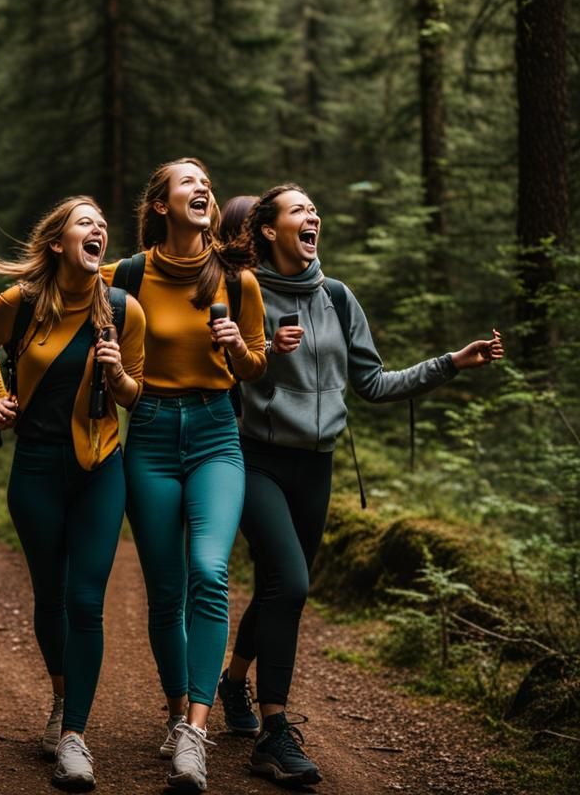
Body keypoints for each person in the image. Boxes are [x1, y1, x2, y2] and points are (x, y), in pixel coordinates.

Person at [215, 184, 504, 786]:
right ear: (269, 230)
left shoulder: (338, 299)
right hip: (257, 458)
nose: (312, 215)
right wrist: (256, 348)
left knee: (279, 585)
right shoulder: (244, 293)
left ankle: (234, 681)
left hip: (316, 466)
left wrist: (451, 362)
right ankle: (274, 733)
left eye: (315, 209)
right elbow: (219, 373)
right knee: (290, 583)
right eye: (299, 210)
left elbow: (374, 383)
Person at [0, 197, 145, 792]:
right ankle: (62, 698)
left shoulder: (123, 310)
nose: (99, 229)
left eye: (102, 224)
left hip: (100, 470)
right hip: (35, 469)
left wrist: (117, 376)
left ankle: (74, 737)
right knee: (51, 596)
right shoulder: (20, 305)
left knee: (86, 601)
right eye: (85, 222)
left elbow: (135, 394)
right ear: (58, 243)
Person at [101, 158, 267, 793]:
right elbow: (85, 328)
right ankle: (176, 712)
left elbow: (253, 369)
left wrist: (237, 348)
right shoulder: (127, 277)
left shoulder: (236, 280)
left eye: (206, 183)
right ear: (162, 205)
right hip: (147, 437)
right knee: (165, 589)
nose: (202, 189)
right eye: (187, 182)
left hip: (214, 435)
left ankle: (195, 733)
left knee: (209, 570)